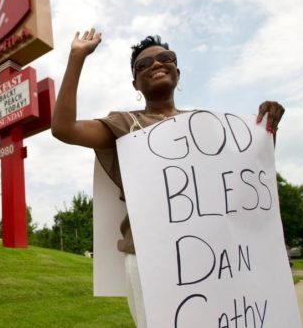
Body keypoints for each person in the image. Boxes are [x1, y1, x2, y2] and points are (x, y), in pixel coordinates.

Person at [50, 28, 285, 326]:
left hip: (214, 256)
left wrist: (267, 130)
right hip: (151, 259)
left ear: (178, 70)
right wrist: (76, 57)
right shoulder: (125, 124)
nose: (156, 64)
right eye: (143, 64)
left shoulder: (208, 125)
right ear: (135, 82)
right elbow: (64, 129)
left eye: (165, 58)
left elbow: (244, 180)